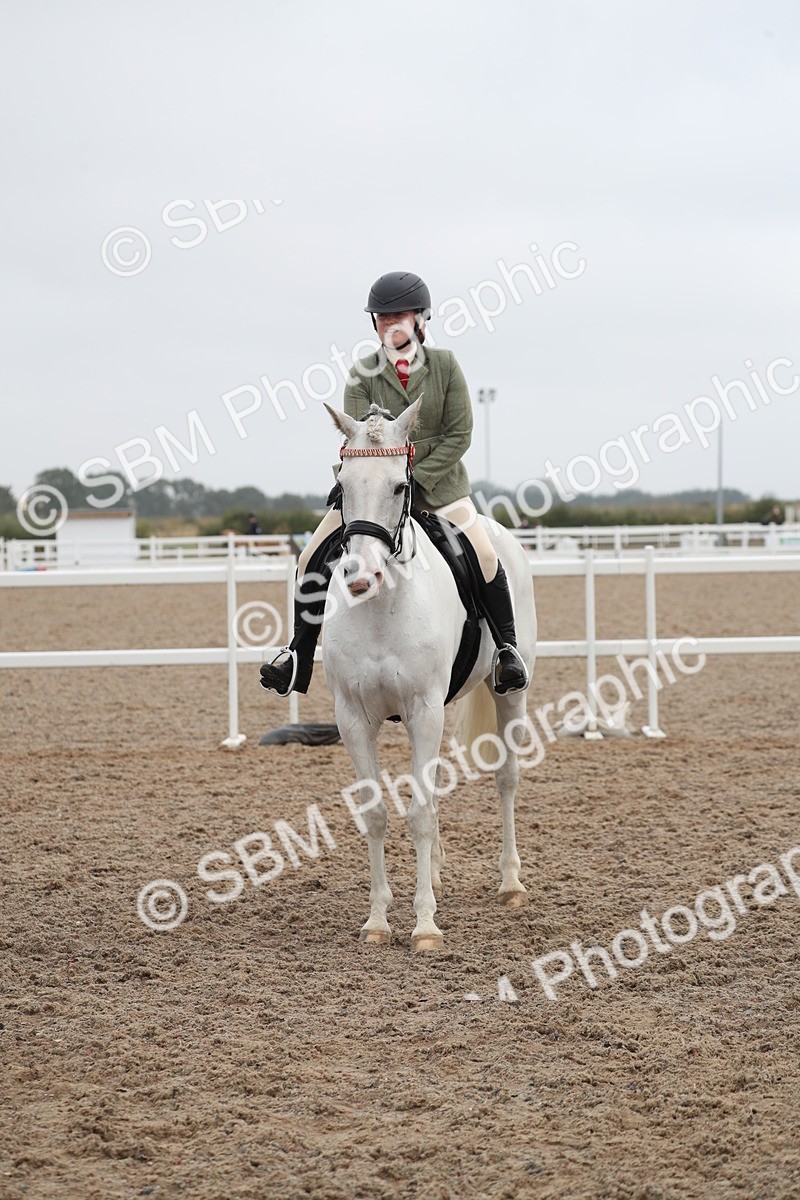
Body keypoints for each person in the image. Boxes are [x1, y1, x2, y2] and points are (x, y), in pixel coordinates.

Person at [259, 271, 529, 697]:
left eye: (399, 316)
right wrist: (372, 482)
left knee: (485, 555)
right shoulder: (362, 373)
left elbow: (459, 435)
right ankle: (298, 654)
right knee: (310, 555)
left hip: (439, 490)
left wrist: (415, 477)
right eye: (382, 318)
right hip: (372, 495)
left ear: (420, 320)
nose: (390, 324)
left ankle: (506, 651)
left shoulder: (445, 367)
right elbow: (352, 438)